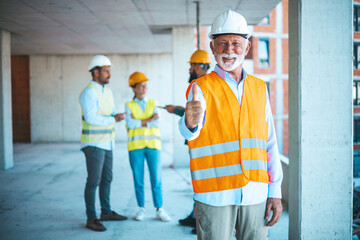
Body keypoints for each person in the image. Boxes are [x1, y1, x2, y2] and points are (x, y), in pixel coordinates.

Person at [179, 10, 283, 240]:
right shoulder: (200, 87)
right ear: (212, 47)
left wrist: (274, 191)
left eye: (236, 43)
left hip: (255, 194)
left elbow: (270, 142)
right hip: (214, 195)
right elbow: (190, 131)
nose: (228, 50)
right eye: (222, 43)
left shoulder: (259, 88)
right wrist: (188, 122)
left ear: (247, 47)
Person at [164, 49, 211, 234]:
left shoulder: (202, 85)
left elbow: (198, 116)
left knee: (203, 183)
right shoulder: (198, 84)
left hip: (204, 143)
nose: (190, 68)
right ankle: (194, 216)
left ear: (201, 66)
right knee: (198, 183)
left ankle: (199, 220)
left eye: (193, 65)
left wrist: (176, 110)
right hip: (196, 142)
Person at [79, 55, 128, 232]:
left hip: (107, 143)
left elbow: (111, 114)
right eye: (106, 71)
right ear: (96, 71)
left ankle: (105, 212)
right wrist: (112, 119)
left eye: (110, 71)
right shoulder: (88, 92)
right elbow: (91, 118)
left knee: (107, 178)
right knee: (93, 181)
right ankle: (91, 218)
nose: (109, 74)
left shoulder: (107, 92)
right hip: (93, 144)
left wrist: (118, 116)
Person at [125, 71, 171, 222]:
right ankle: (141, 209)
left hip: (153, 146)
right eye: (141, 85)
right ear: (134, 88)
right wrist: (149, 119)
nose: (145, 88)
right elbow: (130, 124)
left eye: (146, 85)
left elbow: (157, 122)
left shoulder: (153, 103)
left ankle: (159, 209)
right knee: (138, 179)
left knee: (156, 179)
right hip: (135, 147)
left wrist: (140, 121)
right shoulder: (128, 106)